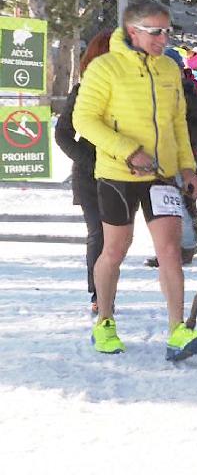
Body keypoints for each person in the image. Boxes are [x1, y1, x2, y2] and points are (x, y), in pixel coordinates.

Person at [72, 0, 197, 360]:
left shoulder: (168, 70)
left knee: (171, 250)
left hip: (162, 175)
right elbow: (84, 121)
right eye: (156, 32)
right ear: (133, 31)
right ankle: (104, 321)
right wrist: (128, 150)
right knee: (115, 249)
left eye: (168, 31)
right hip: (118, 174)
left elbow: (177, 123)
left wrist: (186, 167)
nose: (164, 38)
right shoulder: (105, 68)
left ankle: (178, 330)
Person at [55, 29, 111, 315]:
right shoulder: (82, 91)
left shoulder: (128, 92)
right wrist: (88, 159)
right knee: (98, 235)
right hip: (89, 175)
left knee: (116, 239)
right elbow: (63, 134)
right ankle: (98, 294)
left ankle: (107, 288)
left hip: (119, 173)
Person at [144, 48, 197, 268]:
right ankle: (168, 248)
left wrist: (185, 149)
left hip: (185, 159)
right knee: (163, 205)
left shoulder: (190, 94)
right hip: (159, 158)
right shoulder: (155, 94)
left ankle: (188, 246)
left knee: (182, 203)